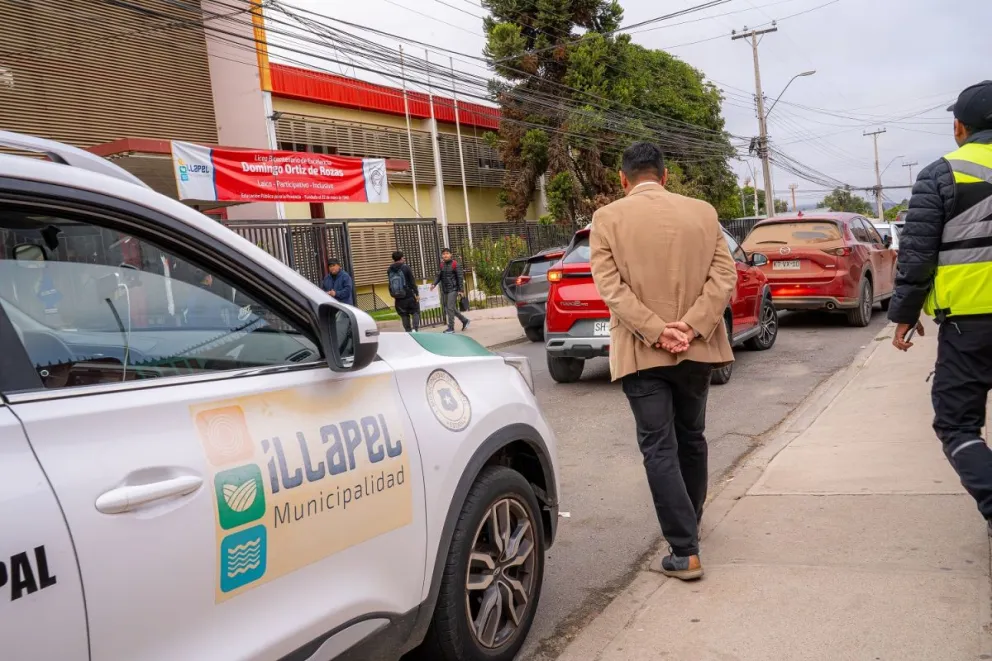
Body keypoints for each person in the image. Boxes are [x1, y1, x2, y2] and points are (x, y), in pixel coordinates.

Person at [589, 141, 737, 581]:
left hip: (641, 350)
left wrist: (656, 330)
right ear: (665, 175)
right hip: (698, 347)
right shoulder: (703, 213)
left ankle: (684, 549)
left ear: (623, 178)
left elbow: (610, 288)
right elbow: (724, 276)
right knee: (692, 437)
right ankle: (691, 521)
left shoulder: (606, 218)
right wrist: (690, 327)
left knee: (659, 446)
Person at [888, 80, 992, 532]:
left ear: (959, 127)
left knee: (956, 425)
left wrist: (904, 317)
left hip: (969, 328)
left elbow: (917, 256)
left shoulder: (941, 174)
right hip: (967, 327)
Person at [431, 248, 470, 334]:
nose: (445, 255)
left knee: (449, 308)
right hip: (445, 289)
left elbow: (460, 277)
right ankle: (465, 320)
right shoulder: (442, 265)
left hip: (453, 289)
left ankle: (451, 328)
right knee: (450, 308)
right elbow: (439, 276)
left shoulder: (455, 264)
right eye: (444, 254)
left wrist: (461, 289)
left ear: (451, 254)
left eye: (447, 253)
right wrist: (434, 284)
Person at [388, 250, 420, 333]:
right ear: (401, 258)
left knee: (404, 314)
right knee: (415, 311)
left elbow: (390, 283)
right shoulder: (406, 267)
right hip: (408, 294)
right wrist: (416, 293)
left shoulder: (389, 269)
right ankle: (415, 330)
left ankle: (408, 331)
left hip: (398, 297)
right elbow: (412, 281)